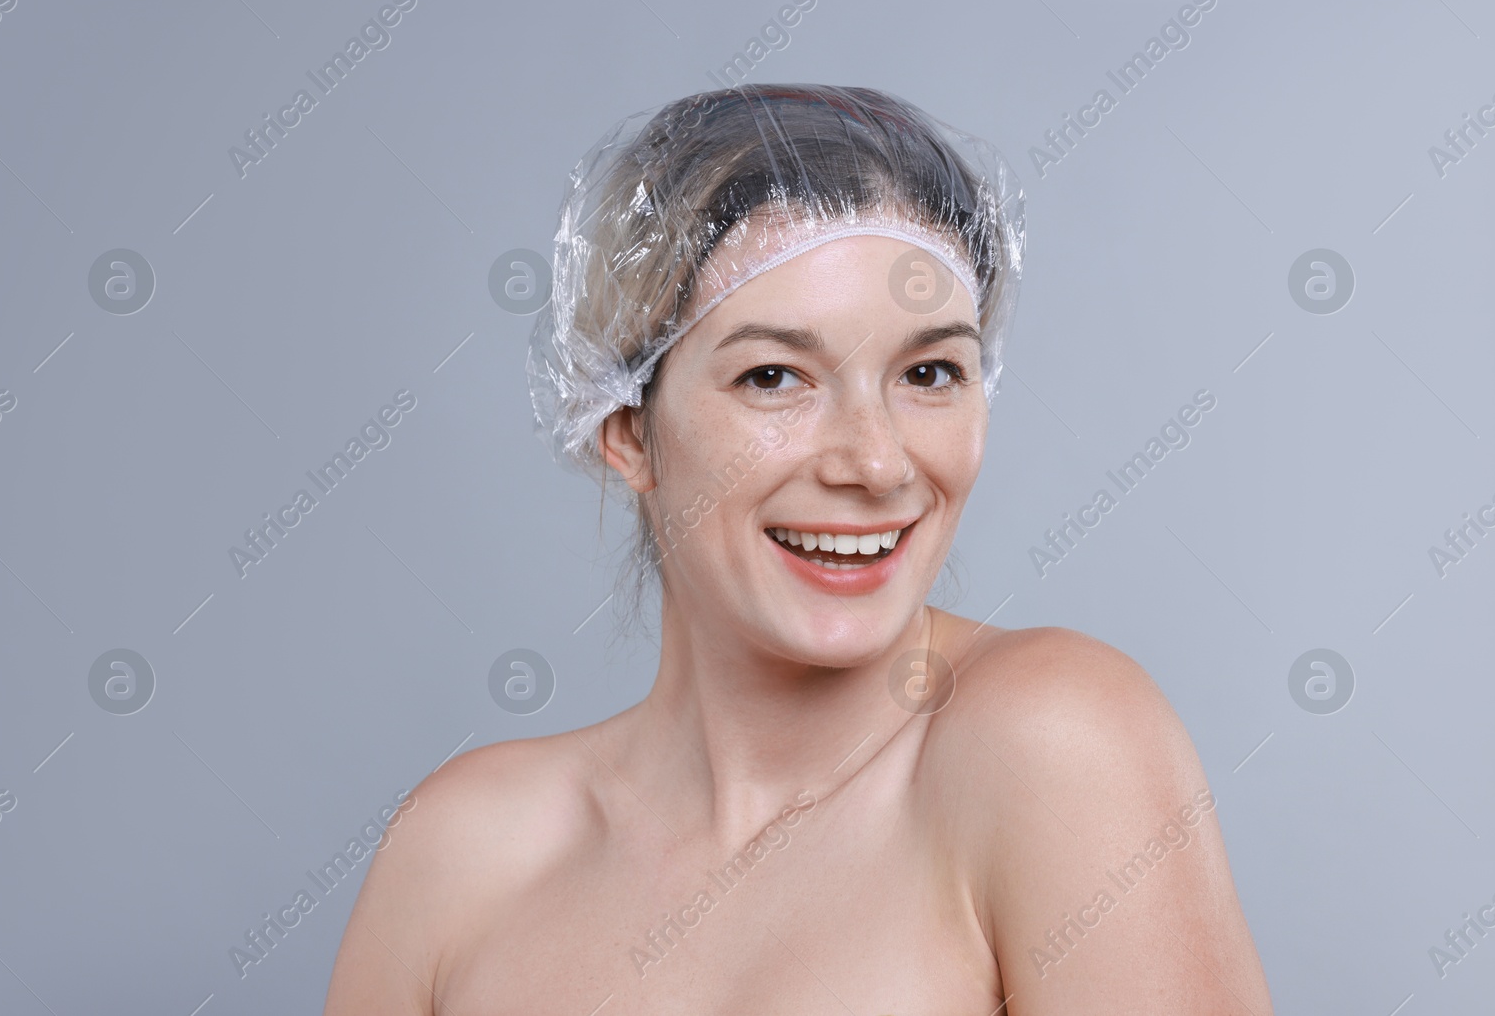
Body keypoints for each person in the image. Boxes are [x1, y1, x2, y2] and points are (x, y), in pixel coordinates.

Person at [323, 84, 1273, 1015]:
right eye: (774, 376)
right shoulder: (459, 857)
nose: (875, 459)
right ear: (625, 427)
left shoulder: (1053, 744)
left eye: (930, 371)